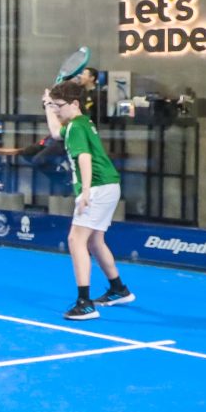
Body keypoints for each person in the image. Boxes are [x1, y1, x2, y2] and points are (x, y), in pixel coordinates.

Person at [43, 80, 134, 320]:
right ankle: (118, 289)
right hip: (108, 186)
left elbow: (83, 157)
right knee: (95, 241)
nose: (56, 110)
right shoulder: (82, 123)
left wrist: (85, 192)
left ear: (74, 103)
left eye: (59, 106)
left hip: (97, 188)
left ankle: (84, 304)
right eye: (54, 106)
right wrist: (47, 106)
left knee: (76, 240)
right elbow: (55, 132)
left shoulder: (76, 127)